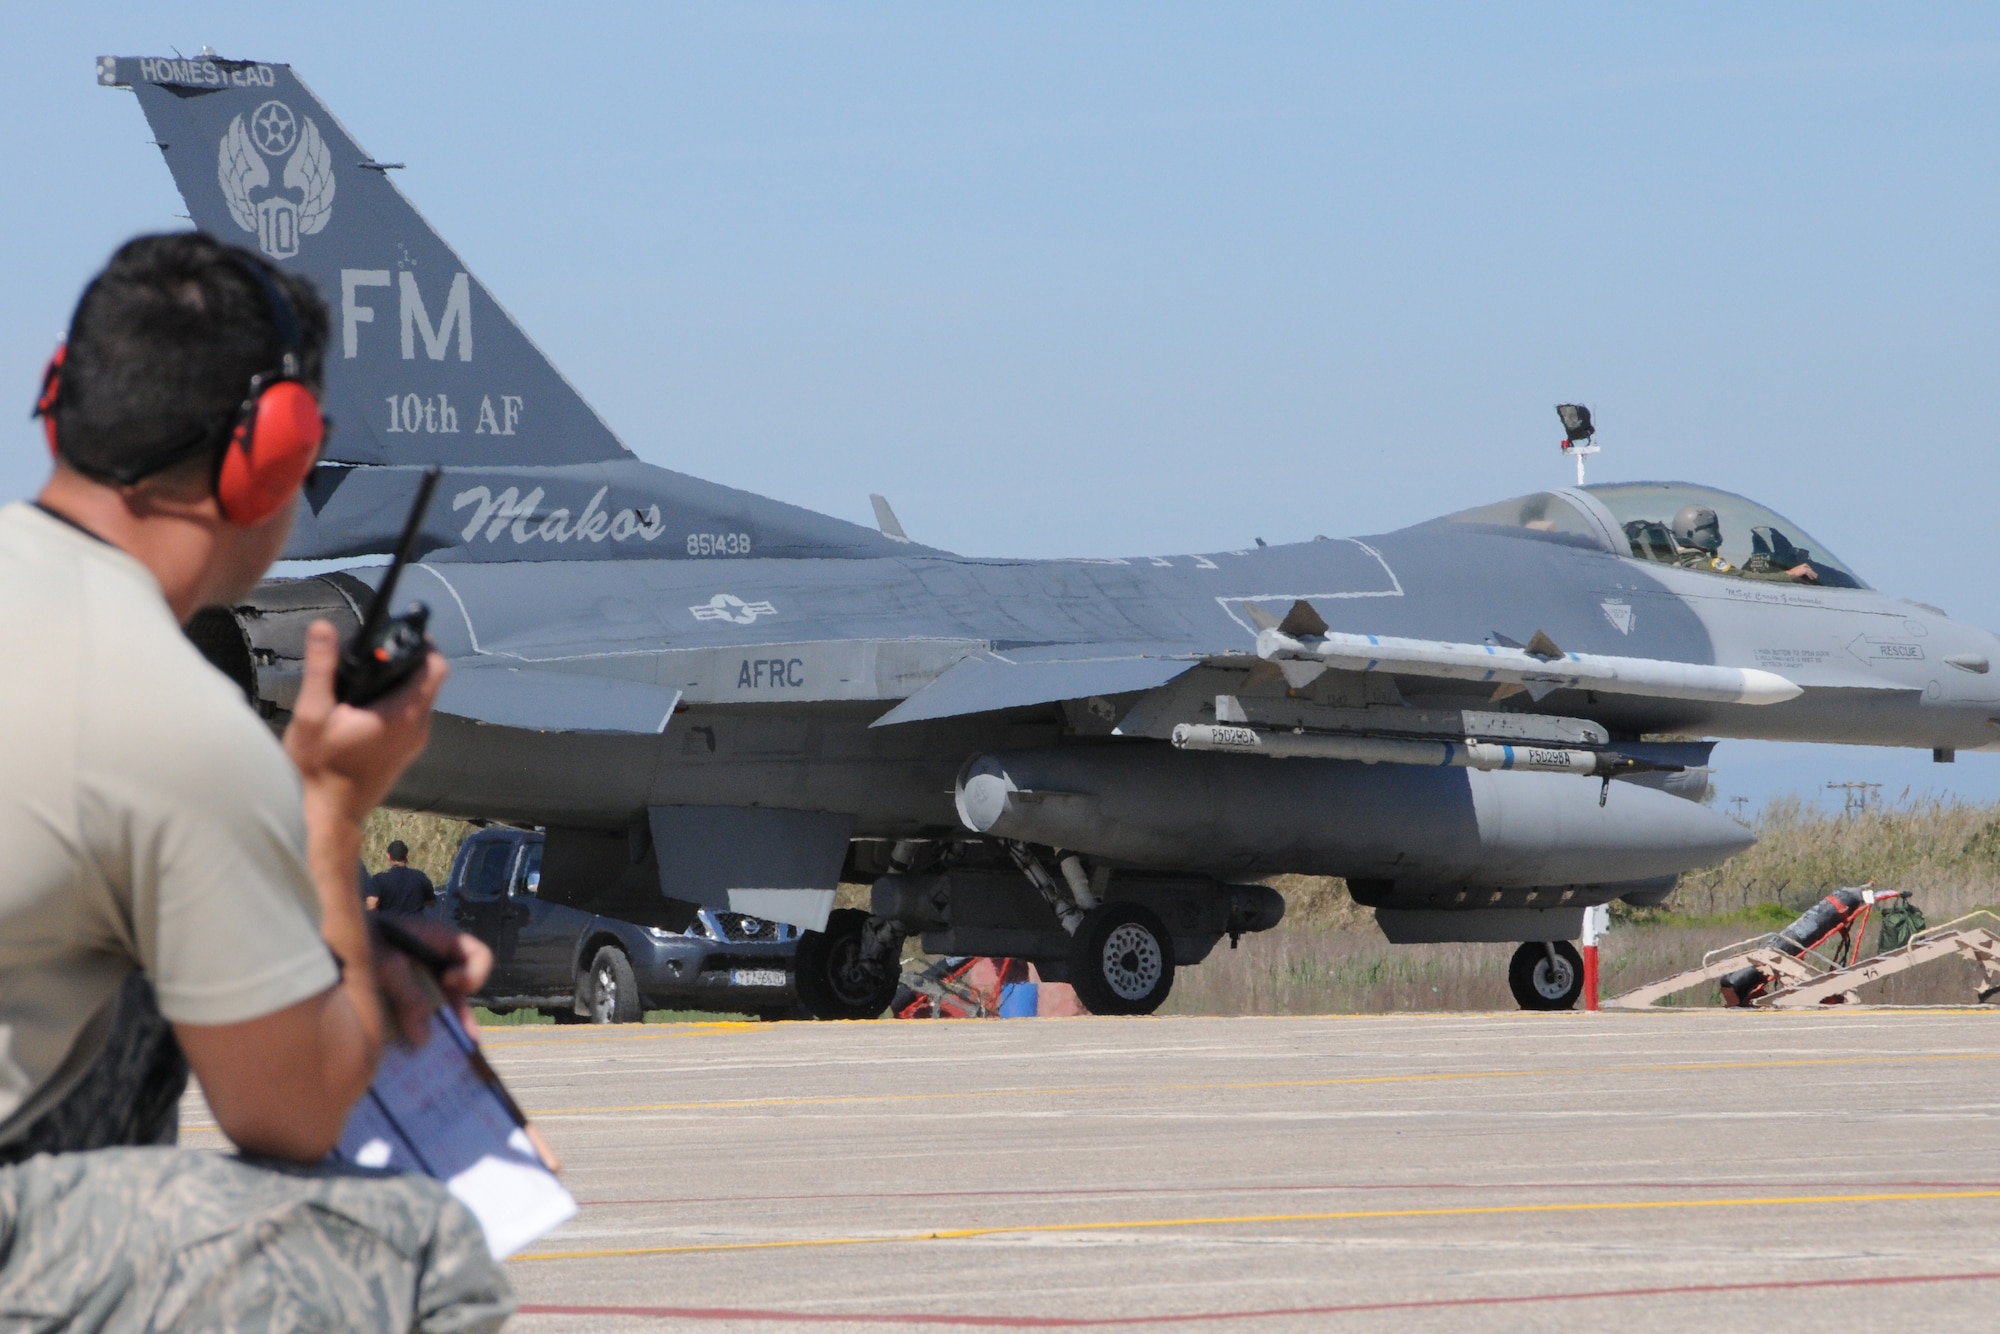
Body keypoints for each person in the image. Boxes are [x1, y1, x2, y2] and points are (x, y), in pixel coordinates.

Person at [0, 233, 512, 1328]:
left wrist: (327, 940)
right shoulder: (169, 713)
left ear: (61, 403)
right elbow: (293, 1108)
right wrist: (328, 807)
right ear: (270, 455)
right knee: (420, 1252)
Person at [1670, 504, 1818, 582]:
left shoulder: (1680, 562)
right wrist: (1790, 574)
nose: (1715, 535)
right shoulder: (1705, 566)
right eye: (1712, 530)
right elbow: (1745, 580)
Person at [370, 839, 438, 915]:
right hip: (415, 925)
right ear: (407, 855)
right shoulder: (420, 877)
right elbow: (431, 901)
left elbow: (371, 904)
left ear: (388, 856)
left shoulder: (379, 880)